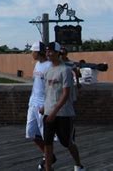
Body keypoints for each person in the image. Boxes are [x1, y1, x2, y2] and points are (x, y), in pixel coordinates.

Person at [41, 42, 85, 171]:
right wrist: (45, 107)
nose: (48, 54)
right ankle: (48, 168)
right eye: (47, 51)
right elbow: (48, 92)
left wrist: (54, 112)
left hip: (63, 114)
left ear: (58, 53)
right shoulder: (48, 70)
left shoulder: (65, 70)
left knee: (66, 142)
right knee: (47, 143)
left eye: (51, 51)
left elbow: (66, 94)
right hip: (48, 112)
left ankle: (78, 164)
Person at [25, 42, 54, 170]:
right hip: (33, 103)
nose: (31, 54)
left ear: (38, 52)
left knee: (45, 136)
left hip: (43, 105)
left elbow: (52, 89)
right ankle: (49, 156)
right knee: (31, 133)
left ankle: (48, 165)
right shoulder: (37, 64)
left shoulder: (49, 66)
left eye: (33, 51)